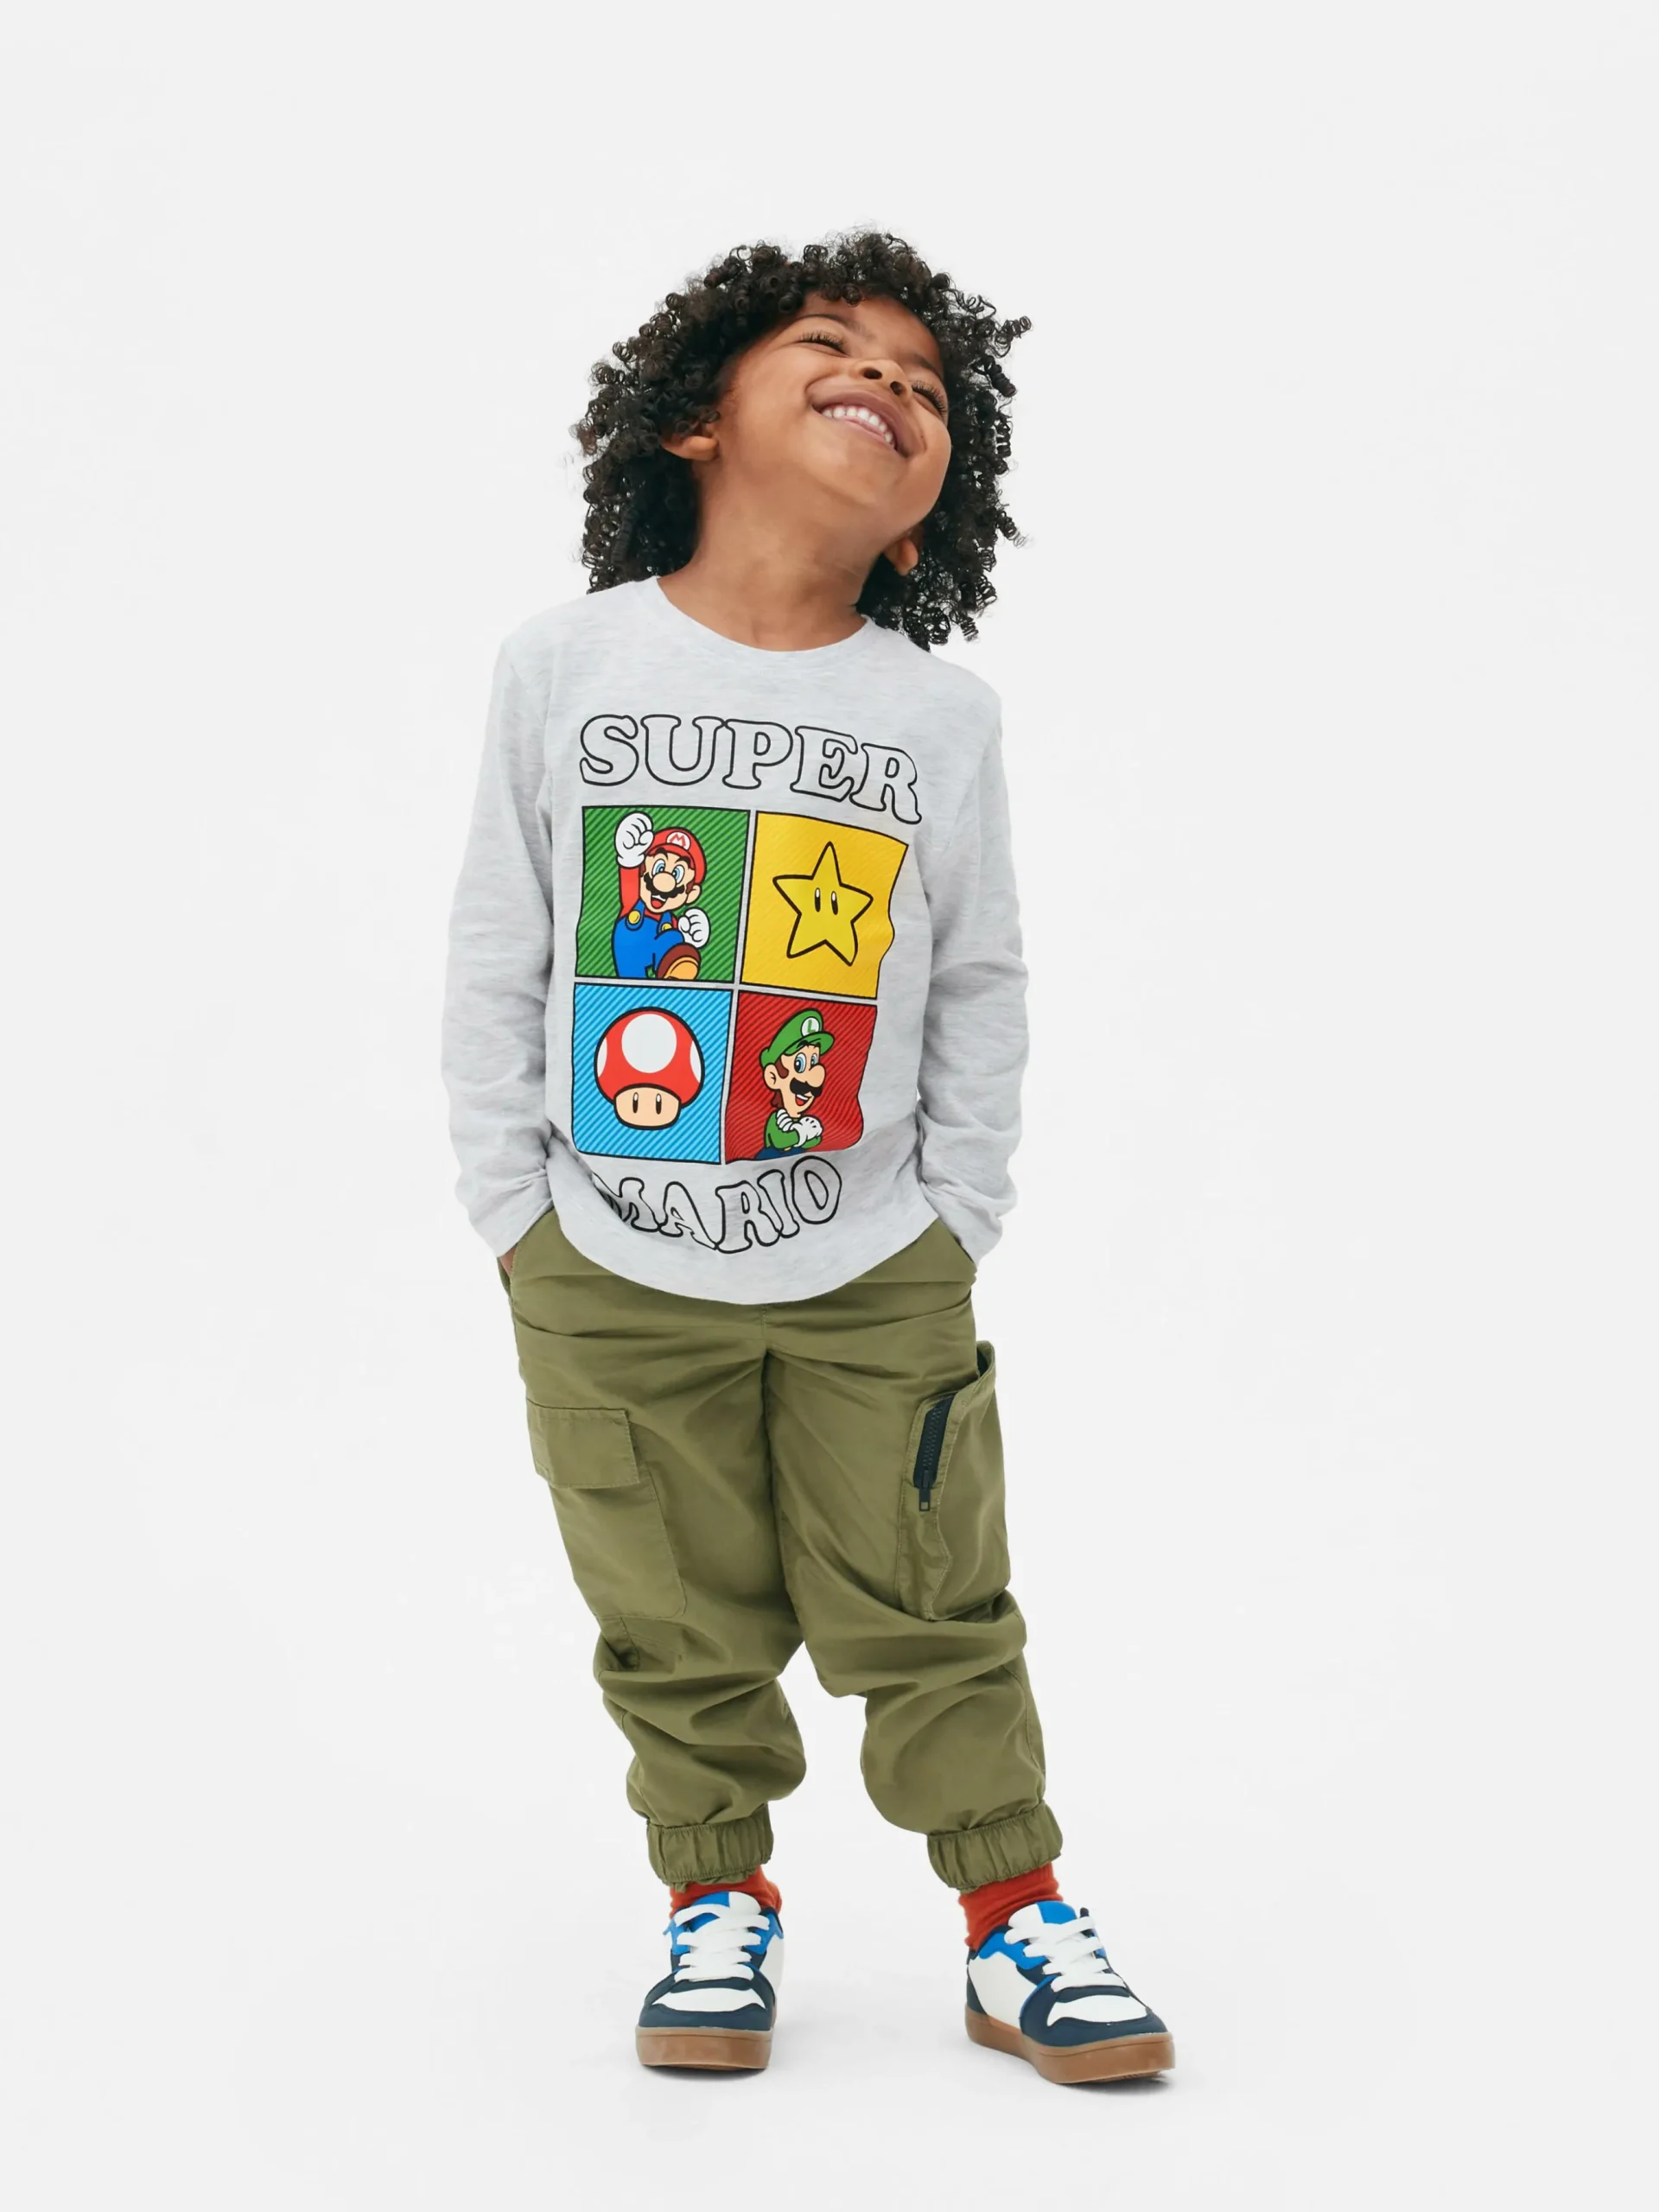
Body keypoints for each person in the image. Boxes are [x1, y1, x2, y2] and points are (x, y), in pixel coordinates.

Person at [441, 231, 1173, 2083]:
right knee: (666, 1605)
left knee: (933, 1597)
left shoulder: (938, 713)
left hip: (871, 1258)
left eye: (927, 389)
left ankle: (1015, 1917)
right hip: (605, 1253)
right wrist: (516, 1210)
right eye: (836, 349)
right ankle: (719, 1899)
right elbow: (501, 940)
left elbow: (980, 968)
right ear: (697, 419)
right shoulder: (564, 664)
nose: (890, 386)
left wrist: (958, 1210)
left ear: (928, 518)